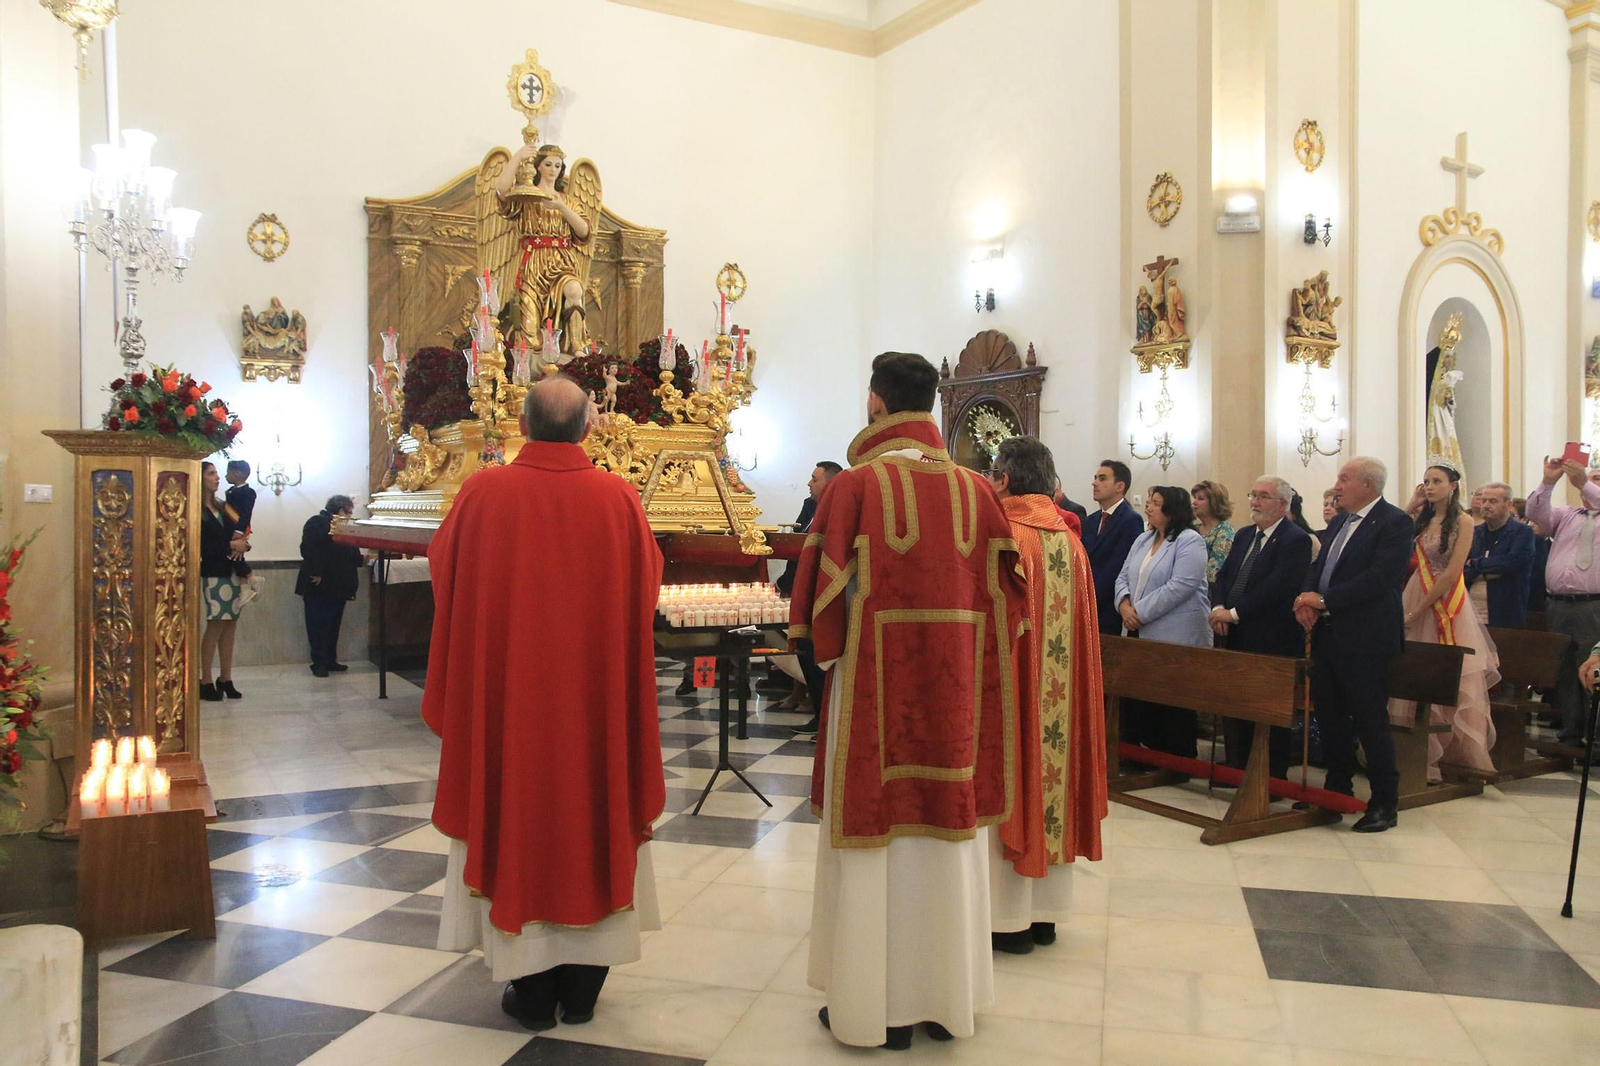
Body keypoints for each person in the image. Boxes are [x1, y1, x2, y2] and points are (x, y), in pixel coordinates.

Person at [789, 351, 1026, 1050]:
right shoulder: (980, 493)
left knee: (876, 850)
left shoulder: (854, 487)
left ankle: (871, 1007)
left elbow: (816, 617)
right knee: (944, 849)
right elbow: (1012, 610)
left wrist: (830, 660)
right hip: (956, 716)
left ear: (875, 404)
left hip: (871, 709)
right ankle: (944, 999)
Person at [427, 375, 665, 1031]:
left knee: (515, 812)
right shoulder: (618, 497)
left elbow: (445, 575)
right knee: (598, 812)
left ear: (522, 428)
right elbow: (646, 590)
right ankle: (584, 991)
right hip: (594, 712)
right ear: (589, 427)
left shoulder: (481, 492)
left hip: (510, 709)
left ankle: (530, 994)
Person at [985, 438, 1107, 956]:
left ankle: (1008, 920)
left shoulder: (1003, 537)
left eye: (993, 475)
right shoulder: (1071, 541)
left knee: (1013, 779)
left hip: (1012, 699)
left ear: (1005, 480)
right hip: (1061, 700)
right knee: (1054, 777)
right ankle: (1046, 916)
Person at [1294, 456, 1413, 833]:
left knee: (1368, 719)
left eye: (1345, 479)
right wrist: (1307, 594)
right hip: (1331, 635)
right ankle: (1336, 789)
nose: (1337, 485)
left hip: (1367, 637)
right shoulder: (1341, 521)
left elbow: (1381, 578)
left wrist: (1325, 602)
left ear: (1368, 484)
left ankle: (1383, 803)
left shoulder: (1394, 522)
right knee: (1328, 715)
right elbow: (1319, 565)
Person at [1391, 465, 1499, 779]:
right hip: (1416, 590)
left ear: (1453, 485)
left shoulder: (1464, 521)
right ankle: (1411, 754)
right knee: (1409, 674)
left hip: (1446, 601)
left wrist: (1417, 611)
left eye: (1436, 481)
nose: (1430, 486)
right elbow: (1391, 530)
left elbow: (1452, 572)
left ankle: (1453, 753)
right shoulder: (1421, 519)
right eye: (1426, 481)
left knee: (1449, 676)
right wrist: (1411, 504)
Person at [1209, 477, 1314, 780]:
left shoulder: (1296, 539)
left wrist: (1234, 613)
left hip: (1272, 638)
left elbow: (1278, 589)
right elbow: (1224, 575)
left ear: (1283, 504)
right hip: (1237, 636)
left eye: (1263, 497)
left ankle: (1271, 775)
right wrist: (1218, 608)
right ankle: (1240, 768)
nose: (1254, 502)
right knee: (1239, 705)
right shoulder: (1244, 535)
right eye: (1252, 495)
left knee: (1268, 710)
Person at [1113, 485, 1210, 758]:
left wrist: (1137, 612)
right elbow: (1123, 576)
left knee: (1170, 700)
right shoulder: (1143, 539)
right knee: (1138, 697)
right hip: (1136, 629)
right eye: (1149, 501)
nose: (1149, 507)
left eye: (1155, 503)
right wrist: (1123, 605)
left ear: (1172, 510)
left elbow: (1181, 585)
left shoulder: (1190, 540)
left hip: (1173, 634)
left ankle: (1176, 757)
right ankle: (1140, 754)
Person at [1526, 456, 1600, 747]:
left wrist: (1584, 482)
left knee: (1593, 673)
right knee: (1566, 673)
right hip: (1558, 605)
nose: (1593, 482)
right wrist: (1549, 481)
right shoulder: (1568, 515)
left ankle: (1596, 741)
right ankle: (1571, 734)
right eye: (1593, 478)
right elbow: (1535, 512)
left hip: (1593, 606)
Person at [779, 461, 841, 730]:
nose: (809, 483)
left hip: (821, 595)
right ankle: (818, 715)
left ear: (829, 481)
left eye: (814, 479)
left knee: (817, 658)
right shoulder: (811, 506)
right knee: (804, 654)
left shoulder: (838, 509)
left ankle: (824, 720)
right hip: (801, 589)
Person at [294, 495, 362, 677]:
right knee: (318, 624)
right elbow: (308, 548)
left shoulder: (345, 527)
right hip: (319, 584)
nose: (349, 516)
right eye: (348, 512)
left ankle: (330, 659)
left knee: (333, 624)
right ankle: (319, 662)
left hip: (338, 585)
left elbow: (350, 552)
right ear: (339, 510)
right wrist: (316, 571)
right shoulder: (317, 522)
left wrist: (361, 559)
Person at [199, 462, 250, 702]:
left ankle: (226, 677)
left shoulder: (222, 505)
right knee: (216, 623)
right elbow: (201, 545)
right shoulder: (196, 509)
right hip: (212, 571)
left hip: (230, 570)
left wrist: (243, 546)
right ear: (200, 478)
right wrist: (231, 545)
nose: (217, 478)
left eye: (217, 474)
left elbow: (237, 533)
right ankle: (205, 679)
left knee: (231, 625)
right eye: (211, 474)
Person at [1083, 459, 1144, 634]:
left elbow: (1117, 567)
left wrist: (1090, 599)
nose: (1094, 483)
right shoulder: (1091, 520)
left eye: (1102, 479)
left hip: (1108, 609)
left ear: (1119, 486)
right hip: (1086, 603)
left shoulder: (1130, 520)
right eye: (1095, 478)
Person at [1465, 481, 1534, 629]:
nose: (1486, 505)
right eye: (1484, 501)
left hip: (1505, 610)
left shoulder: (1522, 532)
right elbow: (1462, 568)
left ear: (1508, 505)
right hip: (1471, 611)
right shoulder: (1475, 533)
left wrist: (1476, 564)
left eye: (1493, 501)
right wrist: (1487, 570)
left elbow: (1511, 562)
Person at [1192, 480, 1235, 592]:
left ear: (1214, 503)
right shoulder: (1192, 529)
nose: (1194, 503)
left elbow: (1214, 572)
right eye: (1195, 498)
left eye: (1200, 499)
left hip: (1209, 591)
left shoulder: (1224, 531)